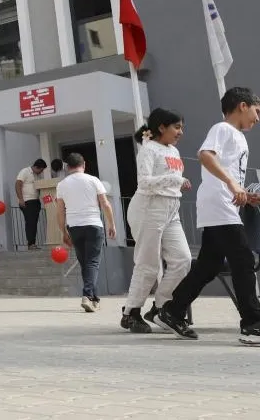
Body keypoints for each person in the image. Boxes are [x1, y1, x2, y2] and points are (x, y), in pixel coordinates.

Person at [156, 87, 260, 344]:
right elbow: (205, 155)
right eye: (256, 111)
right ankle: (252, 324)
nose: (257, 118)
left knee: (208, 266)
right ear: (243, 106)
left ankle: (172, 311)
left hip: (223, 204)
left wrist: (244, 193)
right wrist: (232, 185)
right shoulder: (223, 129)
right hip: (219, 205)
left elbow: (227, 171)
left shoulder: (237, 136)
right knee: (243, 260)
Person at [120, 109, 193, 333]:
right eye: (177, 127)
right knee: (148, 264)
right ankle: (131, 312)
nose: (181, 132)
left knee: (182, 259)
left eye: (181, 128)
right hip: (148, 207)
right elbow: (144, 182)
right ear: (162, 127)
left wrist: (178, 182)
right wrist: (174, 179)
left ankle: (161, 308)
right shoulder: (148, 149)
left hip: (171, 209)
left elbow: (170, 179)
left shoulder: (174, 150)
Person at [55, 153, 116, 313]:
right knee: (92, 263)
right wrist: (111, 224)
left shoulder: (61, 185)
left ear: (67, 167)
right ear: (84, 164)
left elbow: (60, 211)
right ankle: (87, 295)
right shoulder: (93, 180)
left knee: (85, 264)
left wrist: (64, 232)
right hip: (93, 225)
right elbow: (105, 204)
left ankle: (94, 299)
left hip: (74, 227)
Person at [16, 159, 48, 250]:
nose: (41, 172)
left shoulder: (38, 175)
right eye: (41, 170)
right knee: (30, 222)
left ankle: (32, 243)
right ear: (36, 167)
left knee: (34, 222)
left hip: (36, 201)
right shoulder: (25, 171)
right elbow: (18, 184)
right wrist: (21, 199)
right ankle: (31, 244)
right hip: (27, 201)